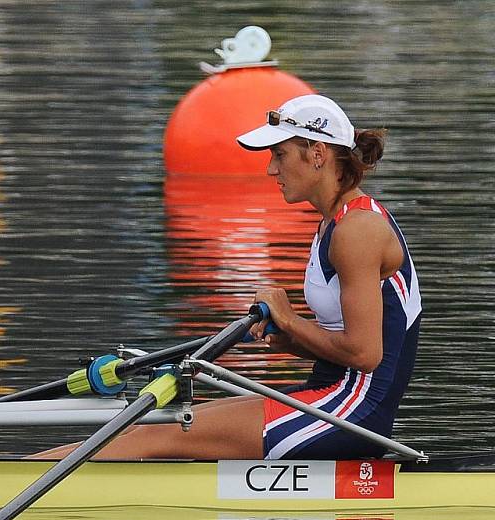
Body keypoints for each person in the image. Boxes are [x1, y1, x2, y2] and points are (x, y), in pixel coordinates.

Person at [34, 94, 421, 461]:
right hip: (331, 394)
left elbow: (365, 355)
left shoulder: (357, 230)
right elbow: (351, 350)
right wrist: (288, 339)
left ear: (317, 154)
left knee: (156, 436)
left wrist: (289, 319)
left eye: (280, 154)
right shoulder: (335, 223)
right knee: (153, 423)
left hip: (351, 411)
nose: (271, 168)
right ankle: (7, 471)